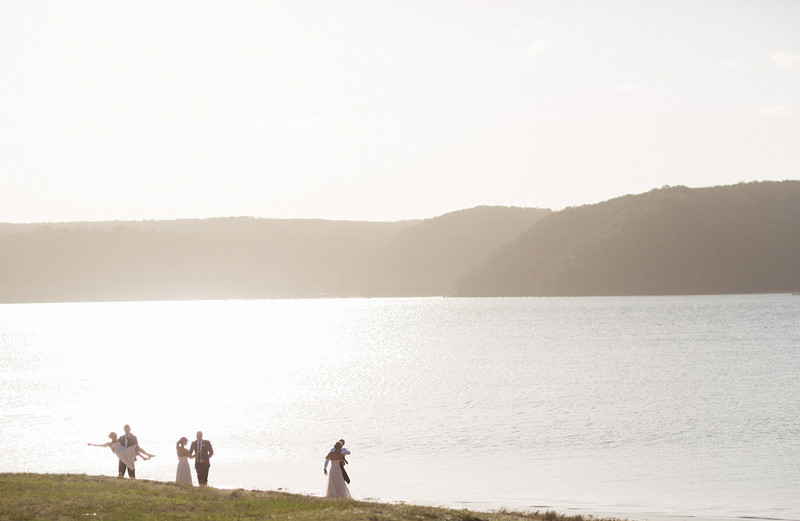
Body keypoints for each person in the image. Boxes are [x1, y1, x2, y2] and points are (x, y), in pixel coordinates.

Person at [88, 432, 154, 478]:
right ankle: (145, 457)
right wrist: (92, 444)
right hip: (121, 453)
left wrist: (130, 434)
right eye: (112, 436)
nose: (113, 437)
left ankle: (146, 456)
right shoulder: (110, 443)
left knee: (135, 447)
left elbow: (127, 440)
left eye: (114, 436)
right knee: (134, 448)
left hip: (124, 450)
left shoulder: (119, 439)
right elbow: (102, 445)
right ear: (111, 437)